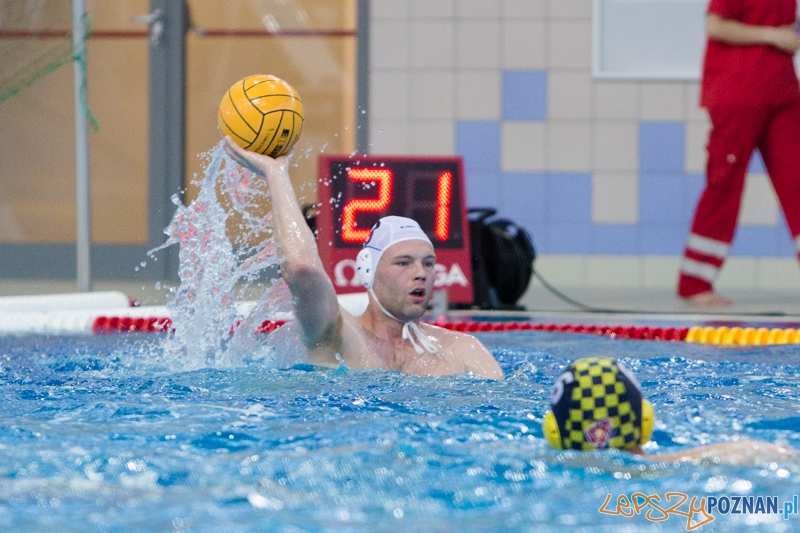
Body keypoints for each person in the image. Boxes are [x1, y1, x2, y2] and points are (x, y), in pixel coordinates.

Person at [223, 137, 504, 380]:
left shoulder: (463, 350)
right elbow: (301, 269)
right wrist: (276, 173)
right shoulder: (338, 335)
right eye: (403, 262)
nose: (421, 273)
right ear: (367, 271)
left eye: (428, 263)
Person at [678, 0, 800, 306]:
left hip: (781, 91)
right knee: (725, 185)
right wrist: (772, 36)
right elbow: (716, 26)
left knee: (798, 182)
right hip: (738, 92)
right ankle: (694, 281)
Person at [543, 357, 795, 464]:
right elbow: (749, 451)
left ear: (554, 431)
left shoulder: (540, 465)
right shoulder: (683, 466)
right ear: (644, 421)